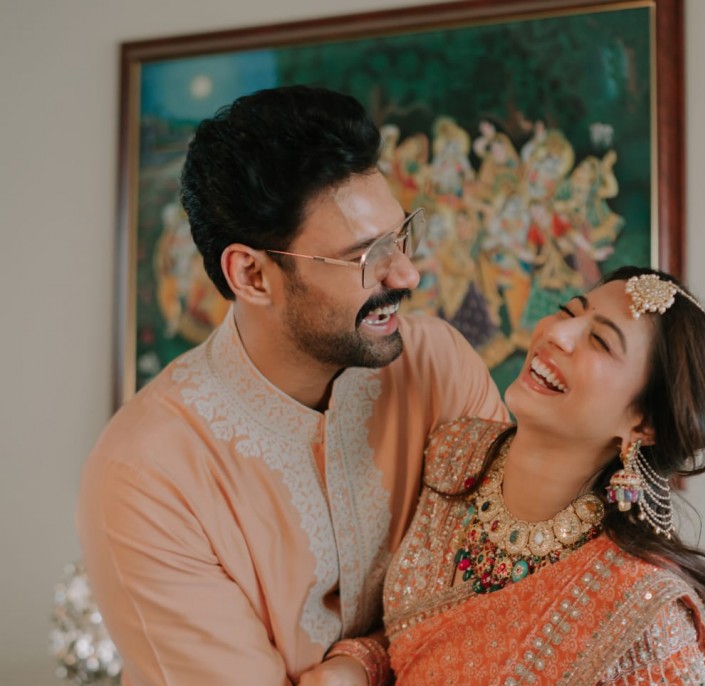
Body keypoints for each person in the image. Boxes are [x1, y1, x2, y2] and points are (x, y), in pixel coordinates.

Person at [77, 85, 509, 686]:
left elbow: (510, 588)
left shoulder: (438, 364)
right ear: (252, 275)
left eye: (401, 235)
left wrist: (361, 664)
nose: (407, 274)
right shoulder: (147, 476)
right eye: (366, 256)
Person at [384, 265, 705, 685]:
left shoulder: (644, 618)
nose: (557, 333)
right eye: (568, 311)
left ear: (644, 424)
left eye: (601, 341)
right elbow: (405, 646)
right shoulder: (455, 453)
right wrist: (356, 663)